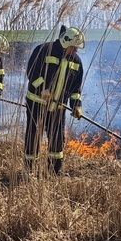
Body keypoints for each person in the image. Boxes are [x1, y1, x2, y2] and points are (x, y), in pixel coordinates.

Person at [24, 25, 85, 173]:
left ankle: (54, 172)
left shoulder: (76, 62)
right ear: (65, 41)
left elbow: (75, 88)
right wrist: (42, 89)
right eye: (73, 47)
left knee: (57, 140)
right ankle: (30, 171)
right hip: (37, 103)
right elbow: (31, 72)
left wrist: (76, 105)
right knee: (33, 136)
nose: (75, 50)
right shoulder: (44, 50)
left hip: (58, 108)